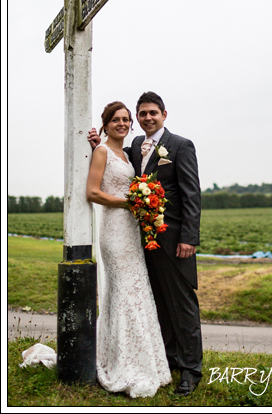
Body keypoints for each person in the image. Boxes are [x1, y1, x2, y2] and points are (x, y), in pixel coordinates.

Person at [88, 92, 203, 396]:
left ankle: (191, 370)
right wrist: (94, 143)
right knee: (157, 304)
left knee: (182, 305)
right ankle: (169, 359)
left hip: (174, 239)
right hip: (140, 239)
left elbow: (191, 194)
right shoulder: (135, 148)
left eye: (153, 112)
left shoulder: (180, 146)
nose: (147, 118)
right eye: (142, 114)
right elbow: (112, 159)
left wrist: (189, 238)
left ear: (164, 114)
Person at [86, 100, 171, 398]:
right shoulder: (102, 151)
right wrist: (129, 202)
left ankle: (141, 359)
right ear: (106, 124)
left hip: (131, 230)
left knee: (135, 289)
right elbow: (93, 192)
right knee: (123, 289)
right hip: (114, 228)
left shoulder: (125, 152)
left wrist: (139, 204)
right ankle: (122, 363)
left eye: (125, 120)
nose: (122, 124)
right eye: (116, 120)